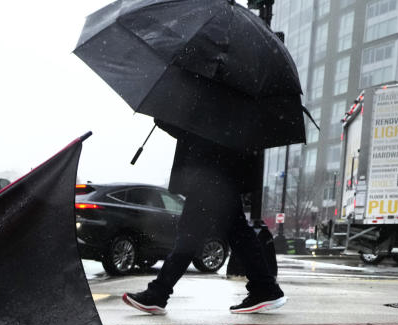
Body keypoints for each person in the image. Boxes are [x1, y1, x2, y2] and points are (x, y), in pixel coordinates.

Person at [122, 123, 285, 315]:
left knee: (191, 236)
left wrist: (167, 120)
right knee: (237, 233)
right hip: (219, 174)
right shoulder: (226, 106)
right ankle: (264, 287)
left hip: (211, 174)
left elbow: (196, 130)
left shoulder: (215, 104)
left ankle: (158, 293)